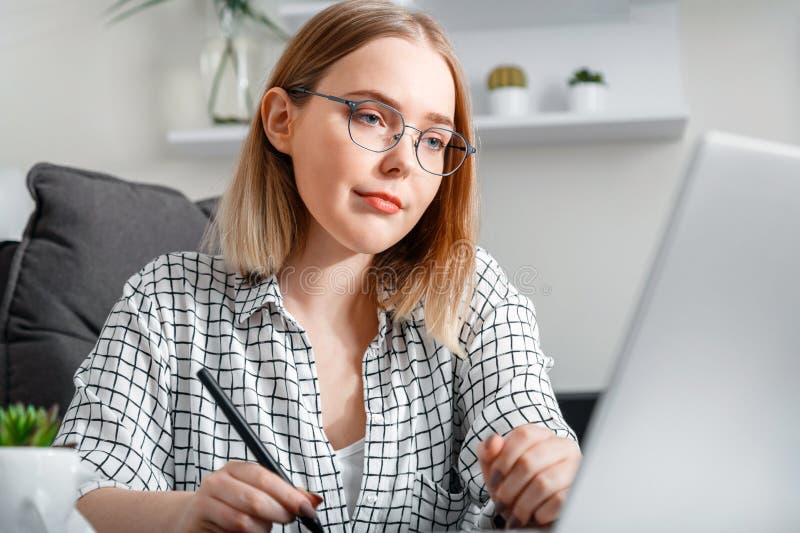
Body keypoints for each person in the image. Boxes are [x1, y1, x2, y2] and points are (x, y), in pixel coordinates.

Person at [53, 1, 582, 531]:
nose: (403, 161)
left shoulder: (471, 294)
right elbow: (71, 498)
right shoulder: (166, 302)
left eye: (434, 140)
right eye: (371, 117)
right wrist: (184, 516)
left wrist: (551, 480)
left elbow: (528, 441)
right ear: (283, 121)